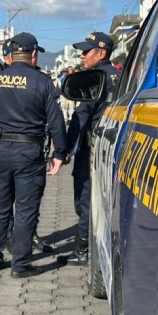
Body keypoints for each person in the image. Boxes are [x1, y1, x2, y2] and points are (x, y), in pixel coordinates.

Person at [0, 32, 67, 279]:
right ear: (34, 54)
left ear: (11, 54)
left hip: (1, 153)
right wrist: (60, 152)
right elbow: (56, 121)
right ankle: (20, 265)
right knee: (26, 211)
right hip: (29, 154)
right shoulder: (42, 82)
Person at [65, 32, 120, 265]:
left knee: (84, 198)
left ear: (101, 53)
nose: (82, 55)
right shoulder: (121, 76)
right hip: (114, 144)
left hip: (92, 146)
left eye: (86, 51)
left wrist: (65, 149)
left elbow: (81, 116)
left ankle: (83, 249)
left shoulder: (93, 78)